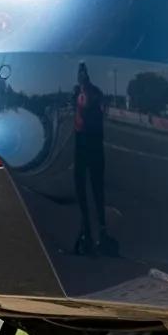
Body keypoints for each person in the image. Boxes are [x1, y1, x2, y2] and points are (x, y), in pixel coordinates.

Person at [72, 62, 114, 256]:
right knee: (79, 184)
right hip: (80, 141)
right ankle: (84, 229)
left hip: (94, 141)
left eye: (84, 73)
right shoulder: (75, 92)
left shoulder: (95, 92)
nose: (81, 76)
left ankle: (101, 227)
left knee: (97, 185)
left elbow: (98, 110)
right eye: (79, 73)